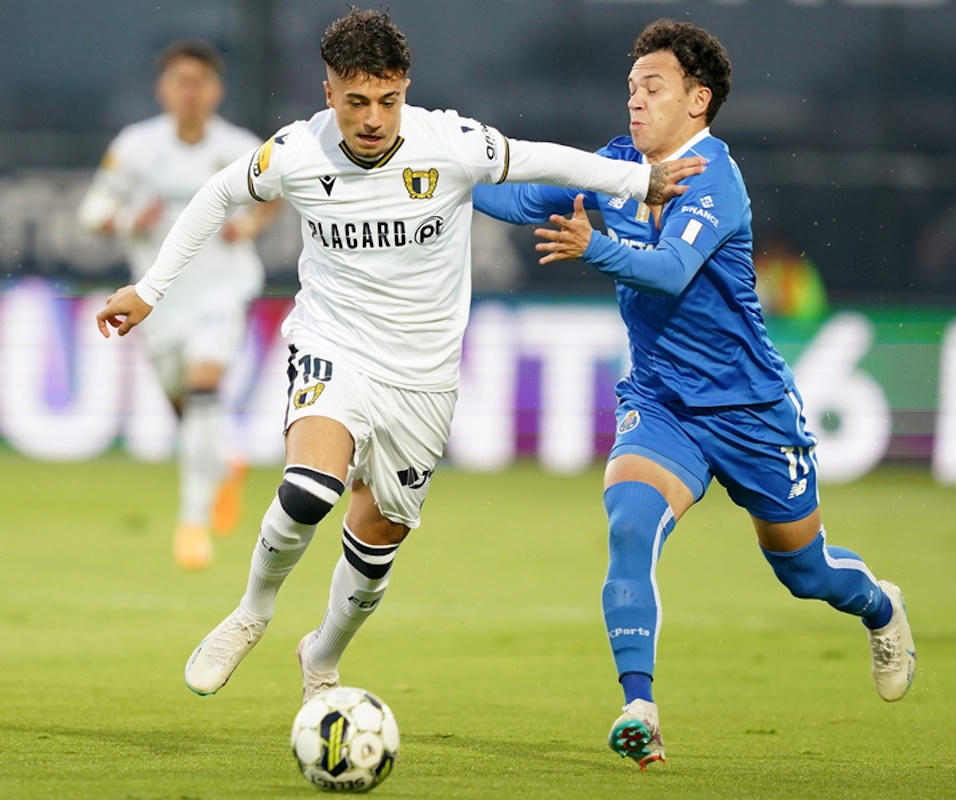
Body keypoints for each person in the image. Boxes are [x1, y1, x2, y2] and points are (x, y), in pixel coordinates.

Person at [94, 8, 702, 704]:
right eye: (356, 101)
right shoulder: (298, 150)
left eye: (387, 99)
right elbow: (220, 193)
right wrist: (149, 290)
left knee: (377, 538)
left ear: (405, 88)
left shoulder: (448, 141)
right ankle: (251, 611)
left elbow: (541, 156)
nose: (374, 118)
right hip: (333, 343)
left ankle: (321, 654)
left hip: (423, 375)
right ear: (329, 94)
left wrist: (638, 182)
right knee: (309, 489)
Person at [473, 19, 915, 769]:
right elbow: (519, 202)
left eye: (653, 88)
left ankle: (882, 607)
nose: (635, 103)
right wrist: (431, 175)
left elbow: (673, 269)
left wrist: (597, 249)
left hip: (749, 410)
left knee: (804, 571)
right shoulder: (616, 165)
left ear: (698, 100)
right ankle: (638, 708)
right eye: (631, 89)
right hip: (663, 402)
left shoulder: (717, 178)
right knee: (630, 524)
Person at [79, 39, 279, 570]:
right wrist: (125, 221)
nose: (190, 92)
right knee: (187, 408)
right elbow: (92, 210)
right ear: (162, 88)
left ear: (217, 89)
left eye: (200, 81)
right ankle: (221, 464)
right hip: (156, 301)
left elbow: (280, 189)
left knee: (204, 387)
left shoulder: (240, 147)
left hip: (222, 289)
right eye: (179, 81)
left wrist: (252, 222)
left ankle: (192, 524)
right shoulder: (136, 147)